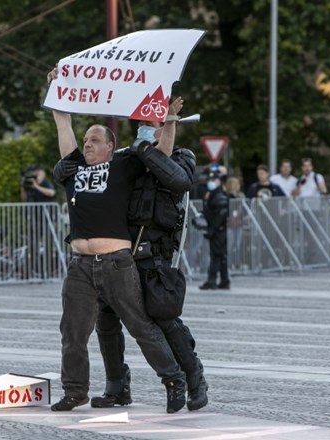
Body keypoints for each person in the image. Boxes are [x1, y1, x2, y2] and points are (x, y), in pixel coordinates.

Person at [47, 68, 187, 414]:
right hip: (79, 266)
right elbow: (63, 124)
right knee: (73, 333)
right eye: (86, 140)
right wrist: (57, 89)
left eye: (95, 140)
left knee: (141, 326)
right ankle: (75, 390)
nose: (87, 144)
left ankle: (173, 380)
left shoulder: (124, 165)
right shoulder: (74, 169)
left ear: (111, 146)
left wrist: (167, 122)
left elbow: (162, 155)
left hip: (116, 264)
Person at [199, 170, 230, 290]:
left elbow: (221, 214)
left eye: (214, 180)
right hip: (217, 229)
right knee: (221, 255)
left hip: (218, 230)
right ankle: (224, 280)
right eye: (210, 180)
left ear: (219, 181)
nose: (210, 182)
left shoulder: (219, 195)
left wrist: (211, 229)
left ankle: (212, 281)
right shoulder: (212, 194)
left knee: (217, 255)